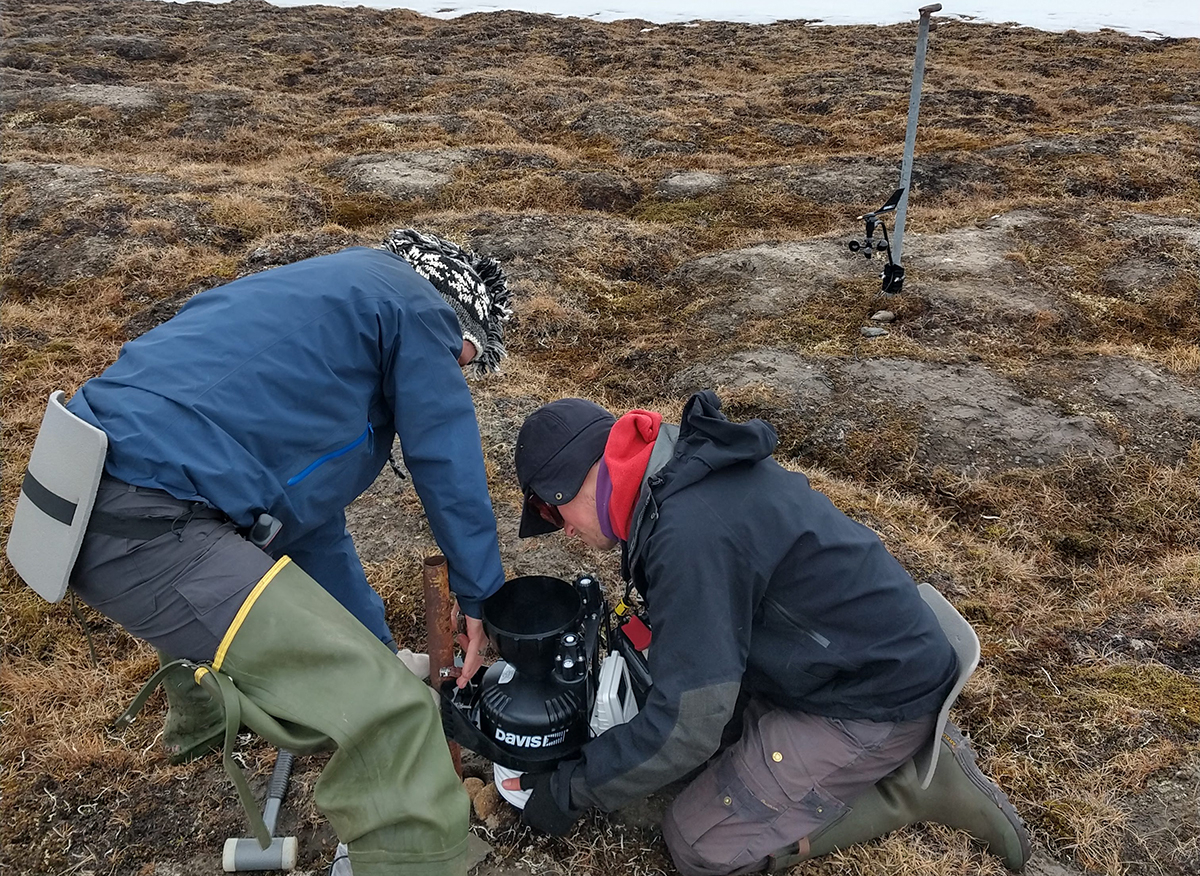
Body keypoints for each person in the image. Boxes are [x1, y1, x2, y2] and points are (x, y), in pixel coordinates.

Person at [61, 229, 511, 876]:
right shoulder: (415, 307)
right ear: (453, 315)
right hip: (148, 524)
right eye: (462, 357)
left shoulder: (335, 301)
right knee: (393, 717)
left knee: (369, 674)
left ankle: (205, 723)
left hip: (96, 479)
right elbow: (447, 457)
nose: (455, 371)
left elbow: (302, 527)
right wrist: (481, 595)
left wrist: (375, 653)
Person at [504, 391, 1032, 875]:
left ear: (578, 476)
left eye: (551, 508)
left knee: (697, 844)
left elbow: (689, 727)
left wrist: (573, 788)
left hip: (870, 697)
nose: (561, 528)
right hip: (829, 655)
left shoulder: (688, 535)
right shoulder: (676, 472)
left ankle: (910, 790)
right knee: (686, 753)